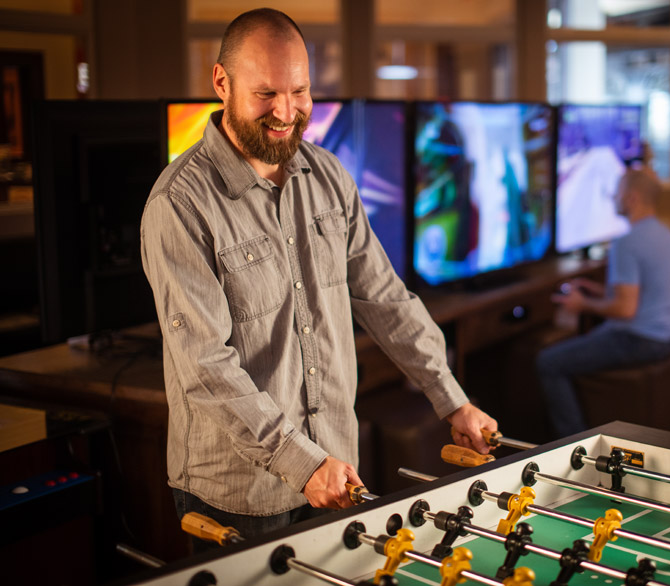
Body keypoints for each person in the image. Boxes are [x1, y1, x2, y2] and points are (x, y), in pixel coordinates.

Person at [139, 8, 496, 548]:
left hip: (334, 468)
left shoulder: (329, 176)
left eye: (300, 91)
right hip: (239, 493)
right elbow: (205, 367)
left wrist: (451, 398)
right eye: (266, 94)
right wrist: (300, 462)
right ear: (221, 83)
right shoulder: (179, 205)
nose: (287, 112)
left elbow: (384, 297)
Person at [536, 169, 670, 438]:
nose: (612, 196)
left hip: (638, 340)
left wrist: (582, 304)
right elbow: (644, 292)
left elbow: (625, 309)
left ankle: (573, 442)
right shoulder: (666, 234)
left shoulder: (627, 242)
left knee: (549, 361)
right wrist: (599, 291)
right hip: (668, 338)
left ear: (632, 198)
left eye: (617, 191)